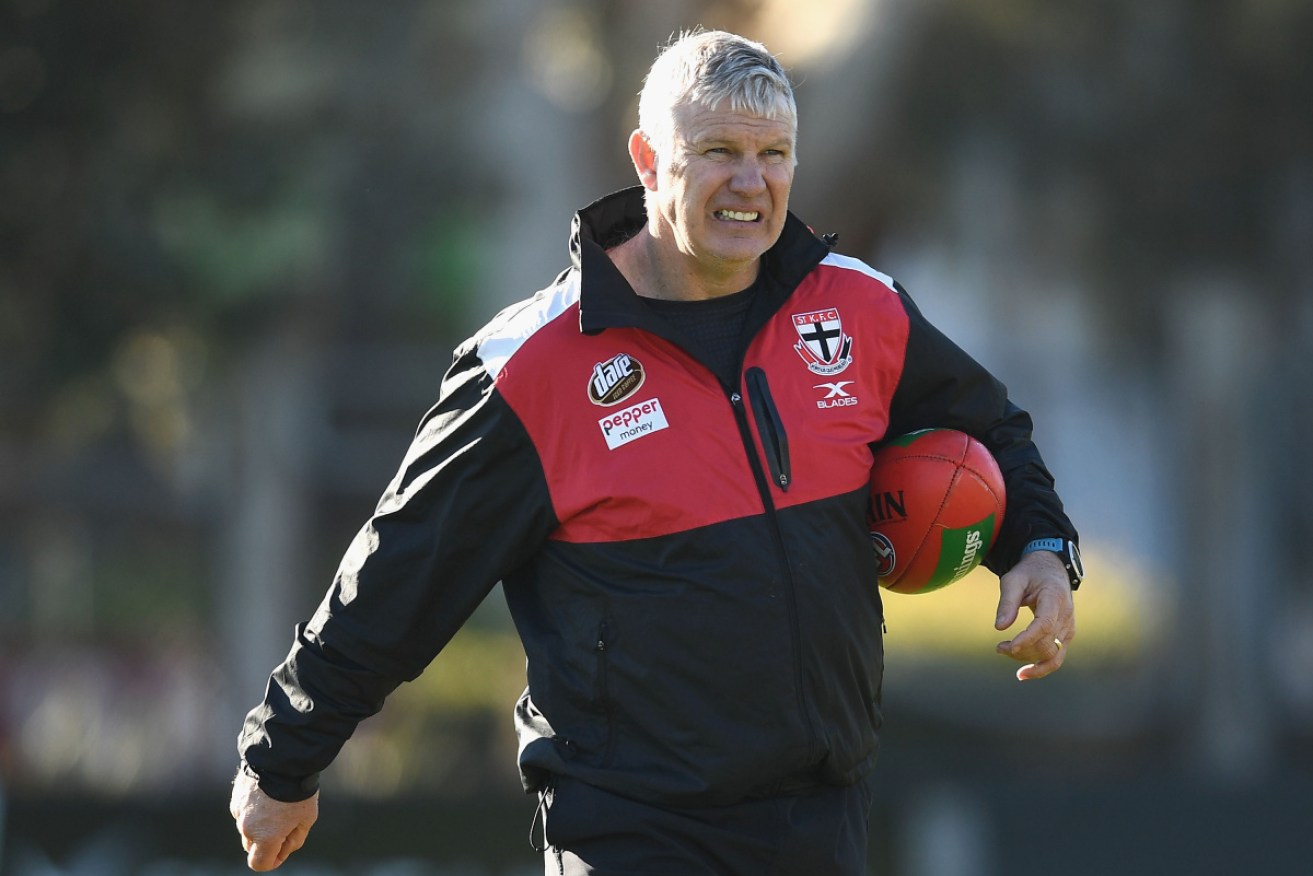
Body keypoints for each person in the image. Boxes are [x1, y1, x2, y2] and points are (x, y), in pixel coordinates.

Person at [229, 29, 1080, 875]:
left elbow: (989, 430)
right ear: (646, 158)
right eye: (718, 152)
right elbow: (402, 570)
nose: (750, 182)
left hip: (822, 814)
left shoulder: (860, 308)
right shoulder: (532, 369)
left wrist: (1037, 547)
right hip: (632, 829)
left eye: (773, 153)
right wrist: (283, 757)